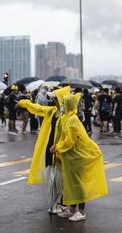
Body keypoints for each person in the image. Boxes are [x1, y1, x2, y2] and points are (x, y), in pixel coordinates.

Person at [50, 94, 108, 222]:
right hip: (70, 157)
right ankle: (71, 209)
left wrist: (58, 147)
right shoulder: (67, 118)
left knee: (78, 184)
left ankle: (81, 212)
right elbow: (63, 137)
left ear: (70, 105)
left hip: (76, 157)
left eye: (65, 104)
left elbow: (70, 140)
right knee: (71, 184)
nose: (62, 106)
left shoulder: (73, 120)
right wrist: (57, 146)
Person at [18, 86, 71, 214]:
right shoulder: (52, 111)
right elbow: (38, 108)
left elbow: (71, 136)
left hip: (61, 150)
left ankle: (63, 203)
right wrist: (24, 103)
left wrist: (60, 147)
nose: (53, 101)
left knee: (63, 177)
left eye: (56, 99)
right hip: (50, 149)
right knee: (52, 177)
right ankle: (54, 202)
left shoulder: (68, 116)